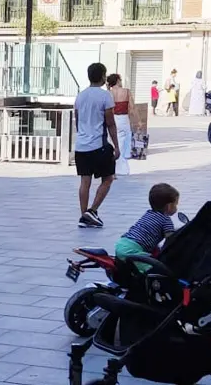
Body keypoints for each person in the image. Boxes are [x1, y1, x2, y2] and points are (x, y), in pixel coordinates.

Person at [74, 63, 119, 228]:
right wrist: (117, 146)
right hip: (98, 145)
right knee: (108, 178)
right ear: (102, 76)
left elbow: (77, 121)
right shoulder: (105, 96)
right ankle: (92, 211)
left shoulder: (80, 96)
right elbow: (110, 123)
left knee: (85, 181)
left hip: (81, 146)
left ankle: (83, 215)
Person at [114, 183, 179, 269]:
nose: (177, 207)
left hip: (122, 243)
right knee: (154, 269)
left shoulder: (148, 213)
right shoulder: (166, 220)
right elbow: (171, 239)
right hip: (132, 249)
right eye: (176, 204)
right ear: (169, 206)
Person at [107, 74, 136, 176]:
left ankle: (112, 168)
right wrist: (137, 121)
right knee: (124, 144)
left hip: (113, 118)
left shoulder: (109, 93)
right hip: (124, 118)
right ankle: (123, 169)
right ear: (118, 80)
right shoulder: (126, 91)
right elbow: (132, 108)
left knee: (113, 143)